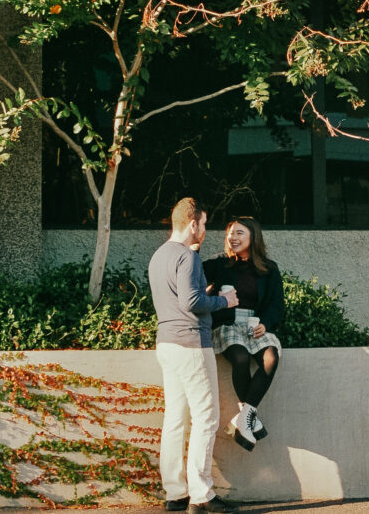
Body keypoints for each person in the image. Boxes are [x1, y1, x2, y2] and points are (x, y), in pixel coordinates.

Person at [148, 198, 239, 514]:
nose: (205, 230)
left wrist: (203, 295)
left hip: (167, 344)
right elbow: (191, 303)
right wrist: (224, 301)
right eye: (203, 224)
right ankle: (202, 496)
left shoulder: (159, 256)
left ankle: (175, 494)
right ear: (192, 224)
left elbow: (179, 299)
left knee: (175, 418)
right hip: (190, 344)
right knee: (206, 417)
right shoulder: (187, 256)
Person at [203, 217, 284, 452]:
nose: (233, 238)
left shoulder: (269, 268)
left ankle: (244, 416)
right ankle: (250, 420)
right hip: (227, 324)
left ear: (253, 237)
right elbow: (192, 275)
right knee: (239, 357)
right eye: (230, 233)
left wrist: (266, 324)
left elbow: (276, 304)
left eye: (239, 233)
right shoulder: (220, 263)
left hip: (255, 325)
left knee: (271, 357)